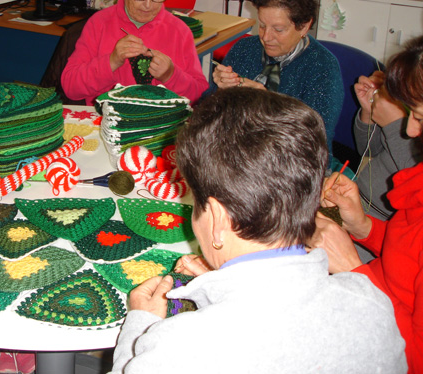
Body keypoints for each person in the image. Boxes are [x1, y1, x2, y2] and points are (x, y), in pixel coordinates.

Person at [111, 87, 406, 374]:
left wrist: (141, 325)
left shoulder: (177, 348)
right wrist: (220, 289)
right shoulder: (373, 303)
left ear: (216, 219)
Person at [309, 35, 423, 371]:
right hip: (375, 290)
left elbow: (412, 357)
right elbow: (408, 251)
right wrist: (363, 226)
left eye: (417, 114)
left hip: (381, 334)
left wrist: (352, 270)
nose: (413, 131)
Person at [61, 0, 208, 105]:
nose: (148, 5)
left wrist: (171, 75)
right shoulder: (99, 24)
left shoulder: (179, 31)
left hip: (160, 124)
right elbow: (71, 88)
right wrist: (111, 61)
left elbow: (197, 94)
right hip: (108, 122)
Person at [211, 0, 343, 151]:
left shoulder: (322, 67)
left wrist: (268, 105)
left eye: (278, 29)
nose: (266, 37)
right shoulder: (244, 48)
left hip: (292, 163)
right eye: (263, 25)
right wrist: (222, 90)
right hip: (241, 152)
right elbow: (213, 115)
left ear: (303, 27)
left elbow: (315, 141)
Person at [353, 68, 421, 218]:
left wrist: (394, 125)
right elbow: (368, 149)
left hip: (383, 223)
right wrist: (370, 112)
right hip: (355, 200)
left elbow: (416, 180)